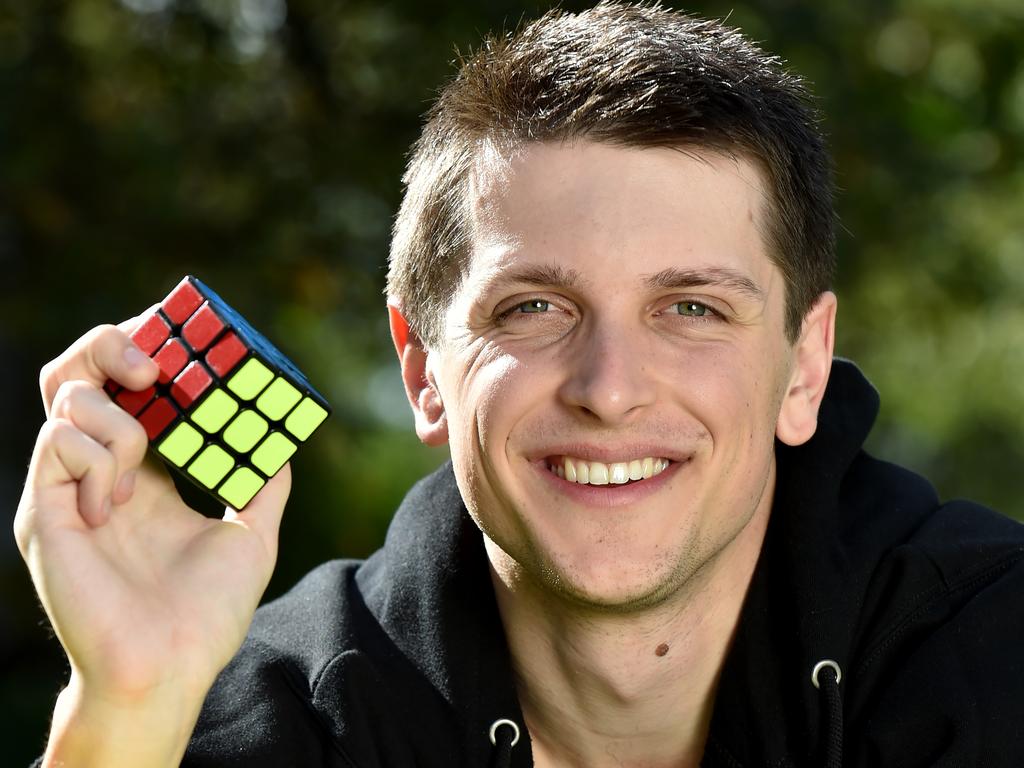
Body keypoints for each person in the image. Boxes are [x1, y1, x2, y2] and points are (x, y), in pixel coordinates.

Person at [16, 3, 1024, 767]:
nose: (610, 389)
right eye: (533, 307)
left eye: (692, 309)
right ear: (422, 371)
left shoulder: (992, 645)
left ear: (803, 369)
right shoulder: (281, 715)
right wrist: (124, 711)